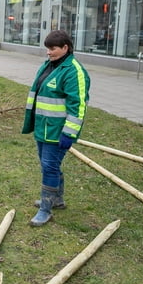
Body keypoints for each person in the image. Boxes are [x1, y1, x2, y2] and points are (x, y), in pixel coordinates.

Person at [22, 29, 90, 227]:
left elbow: (78, 106)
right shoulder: (50, 66)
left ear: (65, 48)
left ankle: (46, 209)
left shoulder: (73, 71)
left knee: (49, 167)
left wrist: (69, 133)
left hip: (57, 132)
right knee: (48, 166)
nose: (48, 52)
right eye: (47, 49)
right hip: (43, 128)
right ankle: (57, 199)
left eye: (53, 48)